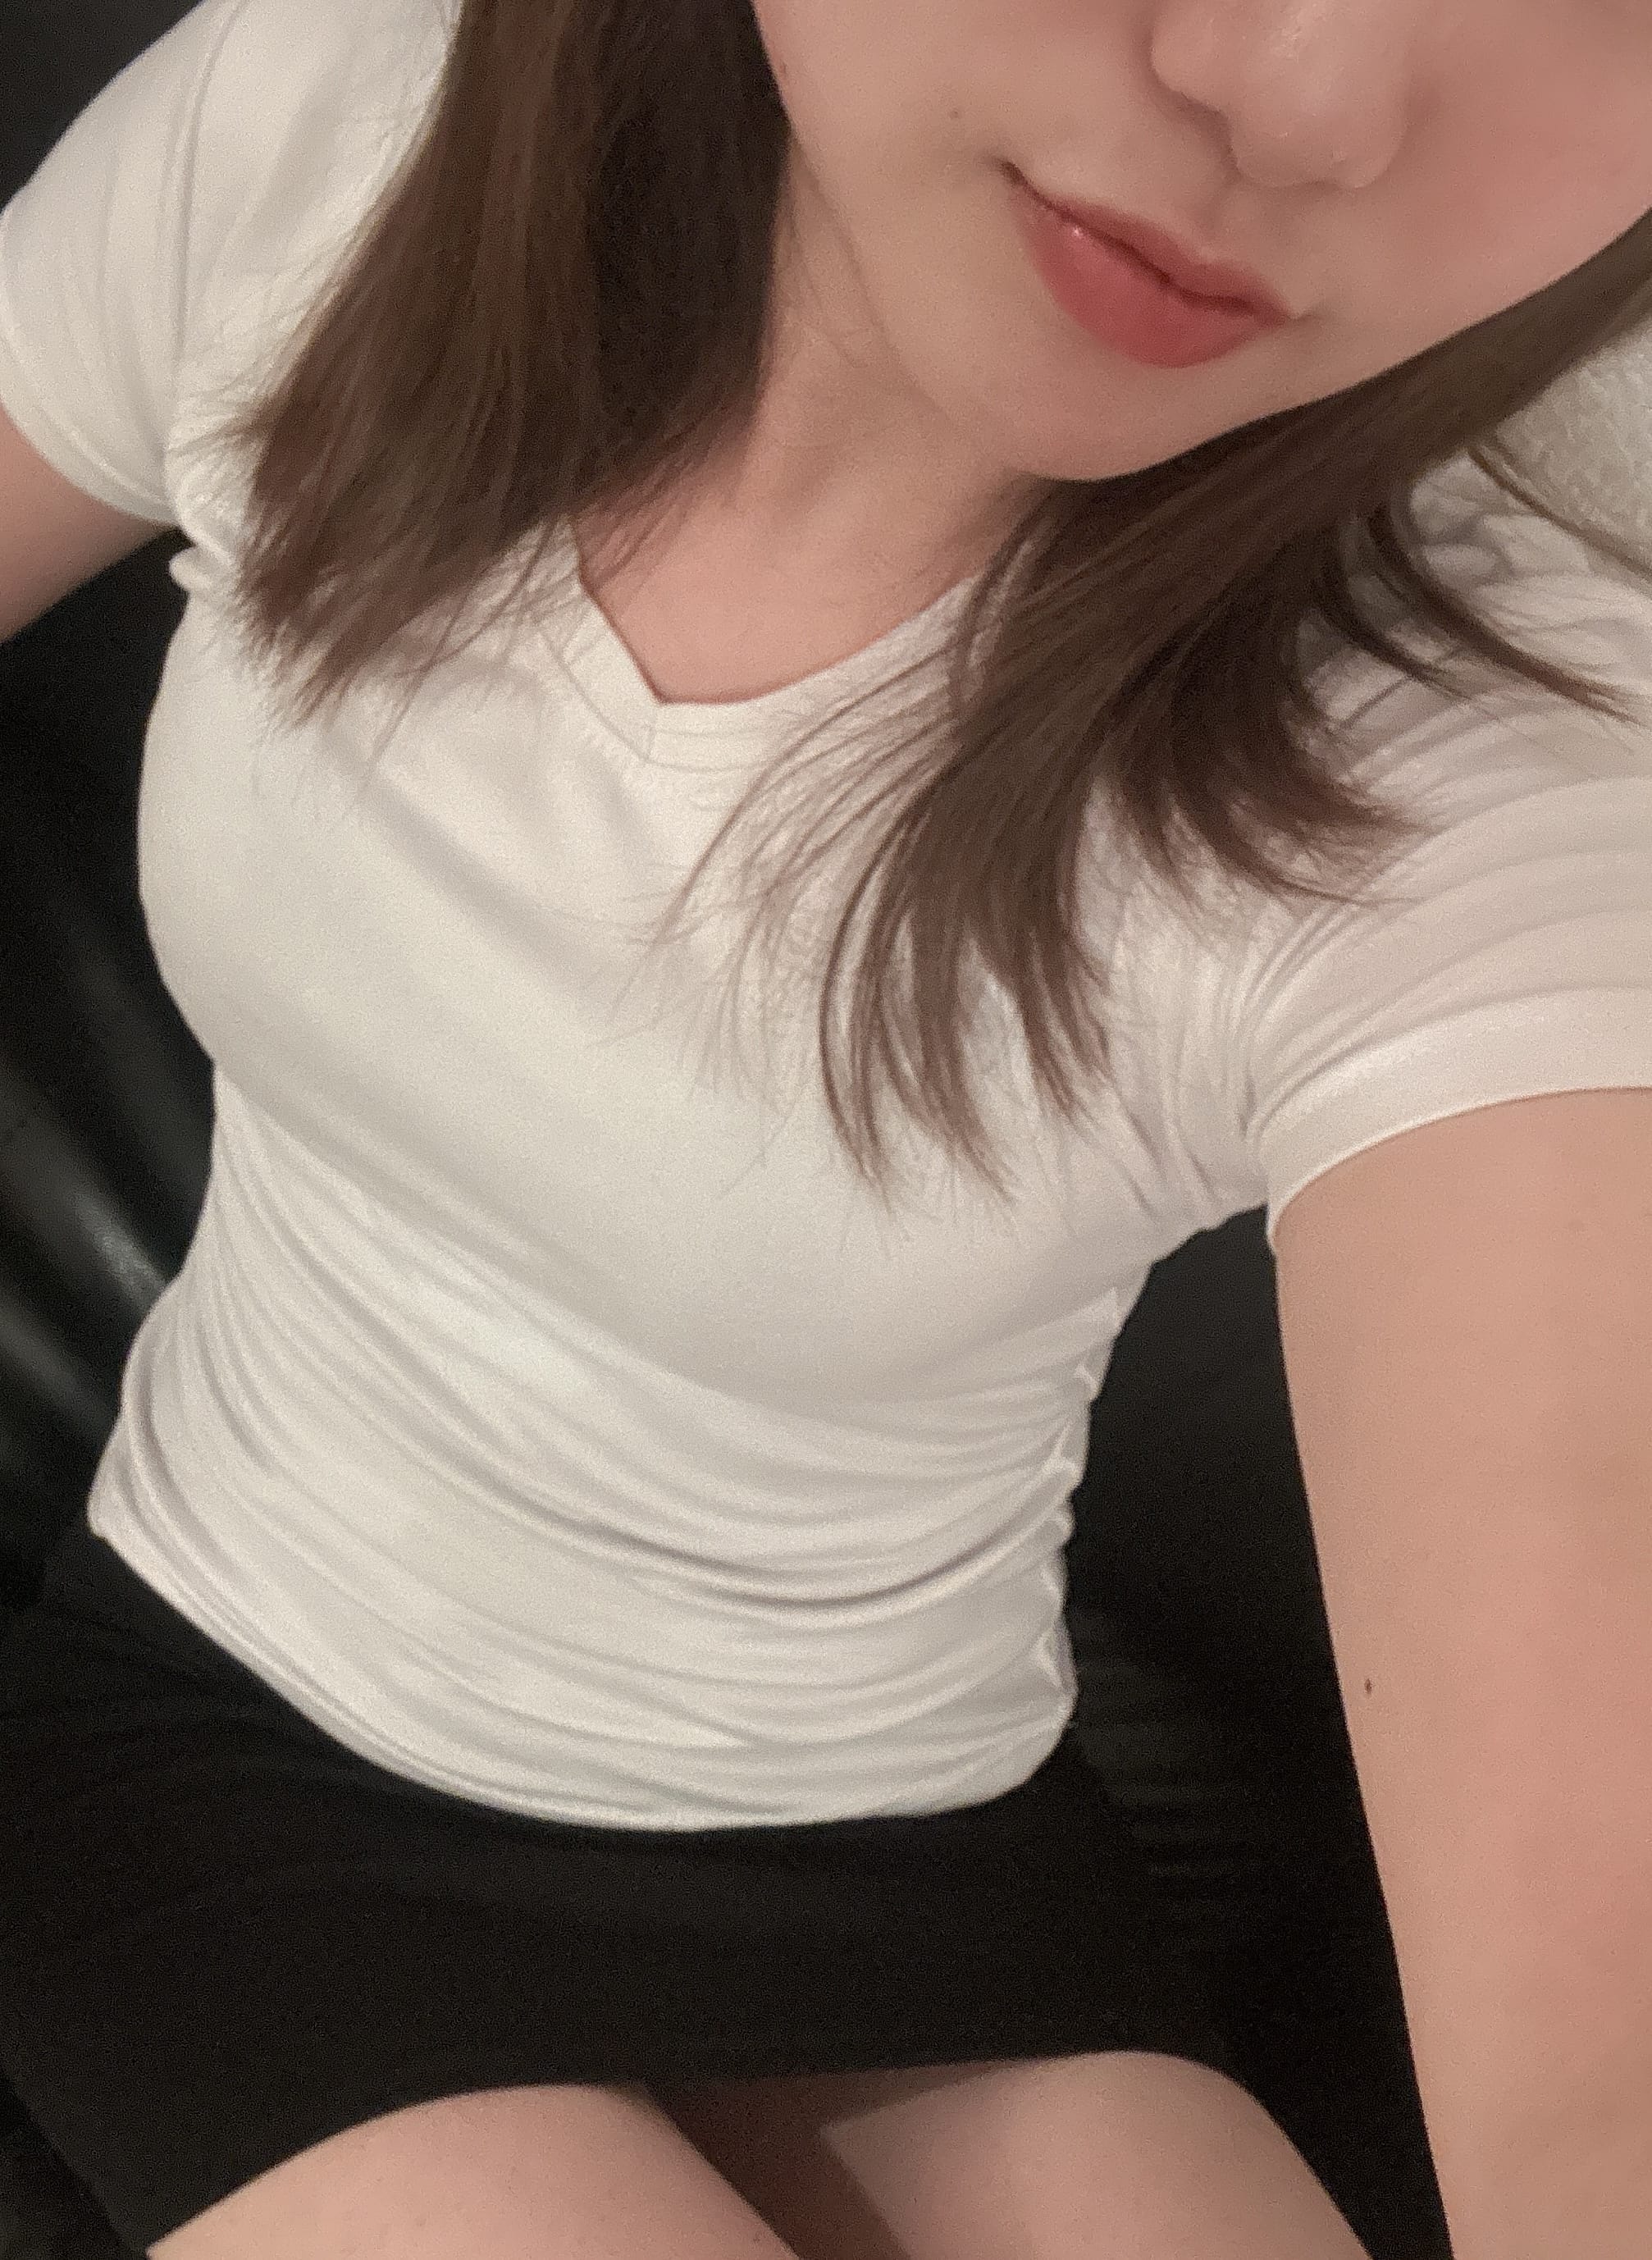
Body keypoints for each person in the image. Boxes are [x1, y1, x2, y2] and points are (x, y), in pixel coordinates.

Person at [0, 0, 1649, 2254]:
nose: (1303, 97)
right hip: (228, 1724)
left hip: (918, 1832)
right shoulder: (330, 143)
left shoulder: (1474, 763)